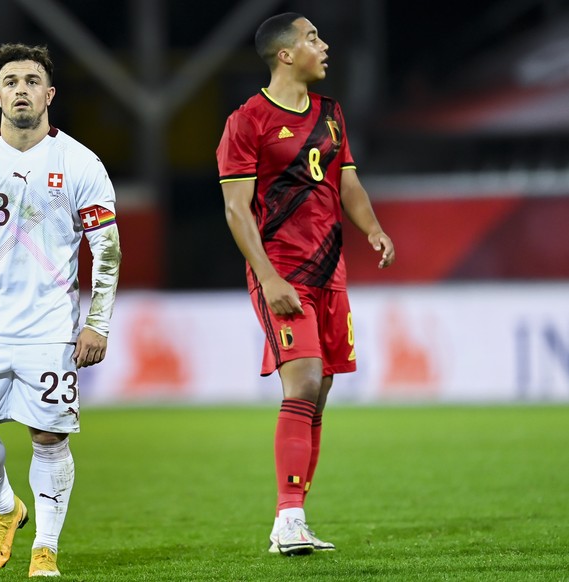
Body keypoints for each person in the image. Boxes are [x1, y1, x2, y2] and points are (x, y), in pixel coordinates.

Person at [0, 43, 121, 577]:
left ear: (49, 93)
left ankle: (46, 549)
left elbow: (107, 248)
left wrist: (97, 322)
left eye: (32, 81)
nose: (21, 90)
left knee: (49, 437)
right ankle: (6, 510)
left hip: (51, 327)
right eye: (11, 81)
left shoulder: (81, 163)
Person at [217, 13, 396, 556]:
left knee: (318, 394)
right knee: (303, 383)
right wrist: (267, 276)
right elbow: (235, 208)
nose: (324, 45)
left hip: (330, 273)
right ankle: (287, 517)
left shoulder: (330, 115)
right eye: (313, 37)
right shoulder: (247, 121)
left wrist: (373, 228)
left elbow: (348, 181)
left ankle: (293, 518)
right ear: (285, 55)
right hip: (282, 272)